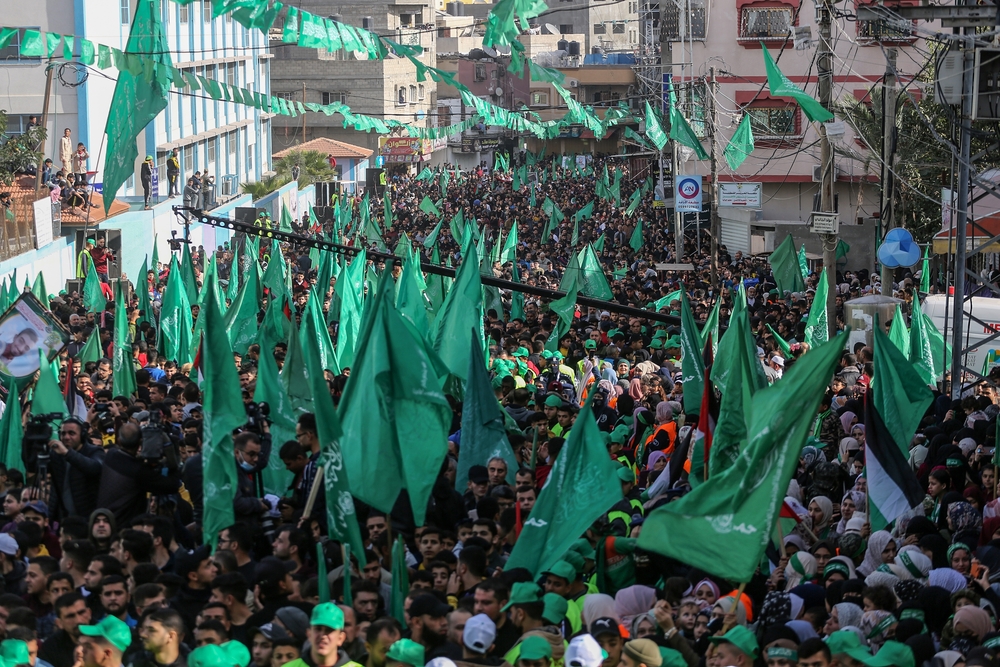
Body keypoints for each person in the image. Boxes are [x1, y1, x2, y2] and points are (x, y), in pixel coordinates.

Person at [47, 419, 105, 523]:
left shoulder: (94, 451)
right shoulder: (56, 454)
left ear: (82, 435)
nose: (66, 437)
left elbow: (95, 468)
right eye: (63, 433)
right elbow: (33, 466)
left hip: (86, 519)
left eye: (72, 433)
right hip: (60, 519)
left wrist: (67, 453)